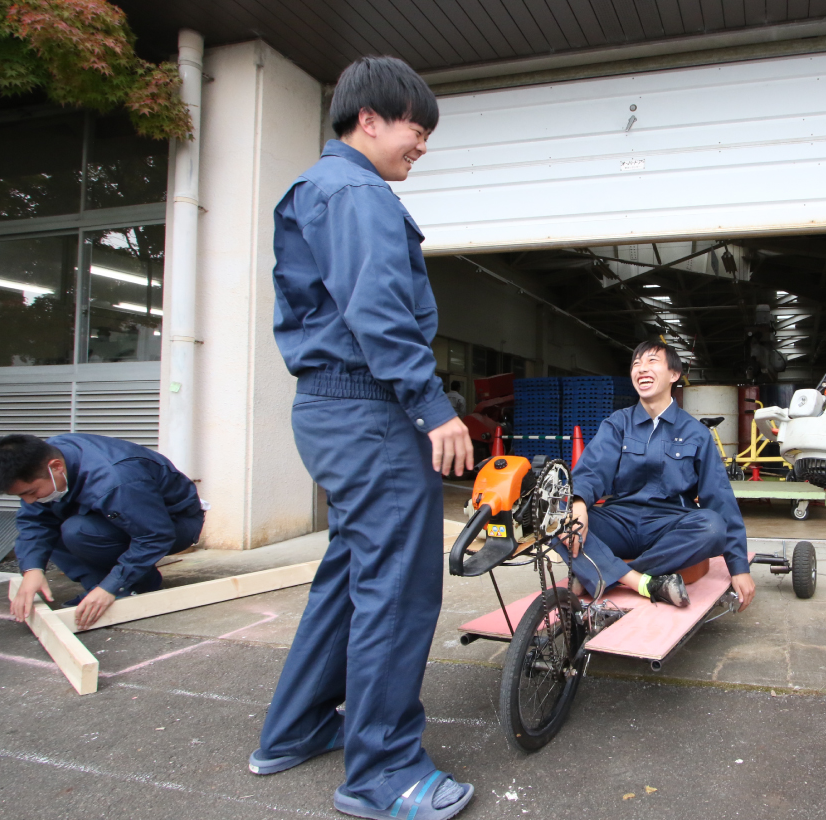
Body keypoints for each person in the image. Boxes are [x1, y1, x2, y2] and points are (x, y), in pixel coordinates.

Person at [248, 56, 475, 820]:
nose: (423, 145)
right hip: (370, 410)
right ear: (368, 120)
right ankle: (383, 773)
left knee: (352, 571)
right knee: (398, 585)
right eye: (418, 128)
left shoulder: (323, 189)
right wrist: (434, 407)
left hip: (337, 410)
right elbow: (378, 310)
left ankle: (299, 726)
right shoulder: (354, 192)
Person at [559, 341, 755, 611]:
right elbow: (591, 470)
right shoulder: (617, 424)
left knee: (712, 527)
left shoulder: (695, 433)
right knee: (556, 518)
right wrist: (578, 503)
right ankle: (643, 582)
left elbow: (720, 498)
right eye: (636, 364)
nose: (642, 369)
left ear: (674, 375)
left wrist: (738, 566)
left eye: (652, 361)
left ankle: (604, 575)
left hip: (669, 525)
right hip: (620, 521)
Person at [0, 433, 205, 630]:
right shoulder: (46, 459)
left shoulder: (116, 479)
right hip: (123, 516)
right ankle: (95, 588)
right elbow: (35, 521)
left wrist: (112, 586)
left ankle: (136, 586)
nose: (28, 500)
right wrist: (32, 569)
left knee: (77, 531)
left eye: (31, 492)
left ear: (56, 467)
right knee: (56, 525)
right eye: (21, 495)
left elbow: (155, 535)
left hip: (174, 523)